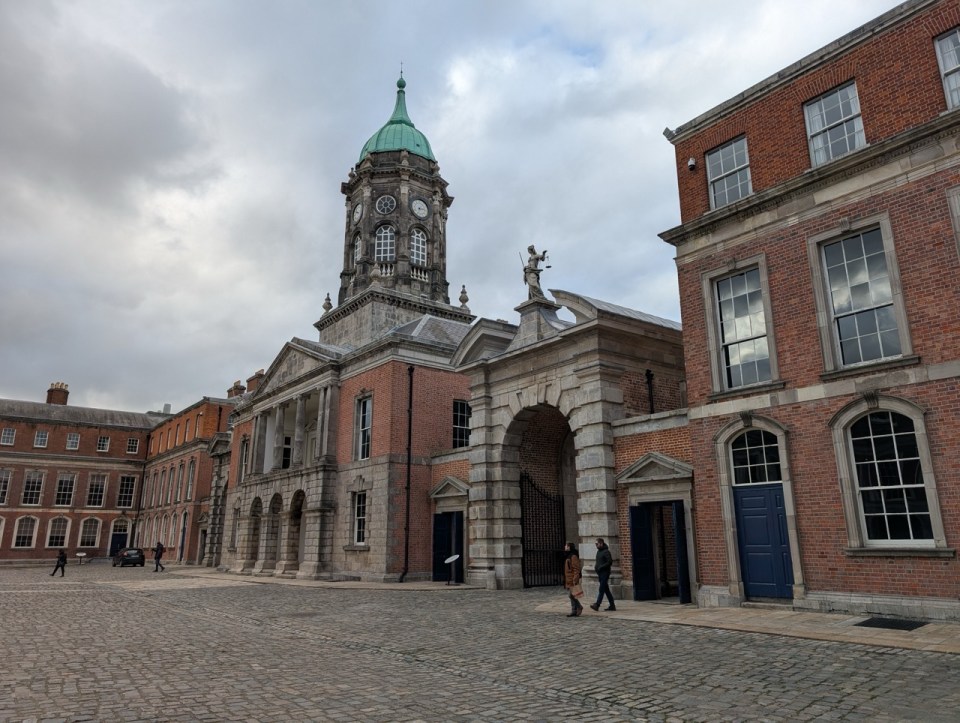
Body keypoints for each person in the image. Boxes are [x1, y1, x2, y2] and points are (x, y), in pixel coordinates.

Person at [590, 538, 616, 611]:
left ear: (601, 543)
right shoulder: (598, 552)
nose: (596, 545)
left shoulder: (606, 552)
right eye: (595, 544)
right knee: (606, 590)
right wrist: (596, 567)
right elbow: (598, 561)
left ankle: (597, 605)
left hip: (605, 573)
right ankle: (612, 605)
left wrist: (601, 567)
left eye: (597, 544)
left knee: (601, 589)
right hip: (600, 573)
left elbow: (609, 562)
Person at [563, 541, 584, 617]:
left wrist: (575, 579)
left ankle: (579, 607)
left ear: (569, 547)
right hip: (569, 579)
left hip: (572, 579)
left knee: (571, 595)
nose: (565, 547)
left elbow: (576, 569)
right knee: (573, 595)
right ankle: (574, 610)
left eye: (566, 546)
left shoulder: (573, 556)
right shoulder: (568, 555)